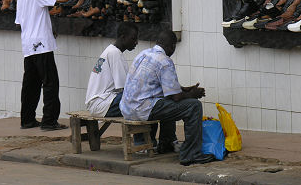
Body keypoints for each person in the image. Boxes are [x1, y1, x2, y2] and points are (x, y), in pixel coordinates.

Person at [119, 30, 215, 166]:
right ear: (172, 46)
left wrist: (183, 89)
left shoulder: (143, 54)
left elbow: (161, 86)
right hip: (142, 109)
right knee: (193, 106)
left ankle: (166, 143)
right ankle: (191, 154)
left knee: (168, 103)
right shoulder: (165, 61)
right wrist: (193, 94)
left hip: (127, 108)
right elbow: (176, 97)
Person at [15, 0, 68, 131]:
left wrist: (46, 27)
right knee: (50, 82)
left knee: (30, 84)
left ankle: (27, 119)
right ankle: (49, 121)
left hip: (28, 46)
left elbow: (21, 22)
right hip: (42, 45)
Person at [85, 22, 139, 117]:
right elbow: (125, 89)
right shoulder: (115, 53)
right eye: (133, 39)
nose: (136, 42)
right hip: (102, 104)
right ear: (123, 37)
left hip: (97, 103)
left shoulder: (111, 51)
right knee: (143, 99)